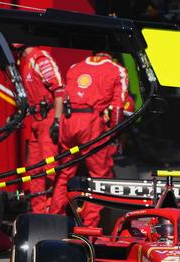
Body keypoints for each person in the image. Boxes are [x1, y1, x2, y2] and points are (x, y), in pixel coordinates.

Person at [48, 52, 128, 226]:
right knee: (99, 177)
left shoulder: (75, 67)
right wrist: (113, 133)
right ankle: (89, 227)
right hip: (91, 124)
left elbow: (65, 95)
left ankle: (54, 220)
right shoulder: (117, 70)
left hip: (68, 123)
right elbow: (117, 107)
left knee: (64, 175)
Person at [15, 45, 64, 213]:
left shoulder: (40, 59)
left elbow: (59, 90)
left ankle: (55, 214)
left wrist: (57, 121)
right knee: (34, 170)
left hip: (49, 118)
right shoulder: (25, 61)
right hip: (36, 121)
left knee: (50, 170)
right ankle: (39, 214)